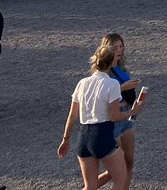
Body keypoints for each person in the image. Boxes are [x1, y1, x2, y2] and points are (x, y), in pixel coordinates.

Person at [58, 43, 145, 190]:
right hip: (102, 135)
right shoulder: (112, 84)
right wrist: (133, 111)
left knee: (90, 186)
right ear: (111, 62)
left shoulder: (82, 83)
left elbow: (72, 115)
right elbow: (114, 116)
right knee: (121, 179)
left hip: (83, 138)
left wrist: (65, 139)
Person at [96, 34, 139, 189]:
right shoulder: (103, 72)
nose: (119, 51)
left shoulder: (121, 68)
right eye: (114, 48)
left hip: (127, 116)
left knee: (129, 162)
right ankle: (89, 186)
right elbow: (101, 97)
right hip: (112, 119)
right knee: (115, 168)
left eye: (121, 47)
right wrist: (122, 87)